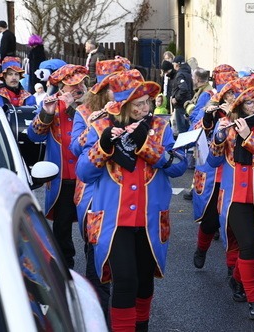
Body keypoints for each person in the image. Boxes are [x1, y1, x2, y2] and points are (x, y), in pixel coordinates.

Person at [76, 69, 187, 331]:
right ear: (124, 105)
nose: (145, 108)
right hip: (114, 222)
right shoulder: (102, 125)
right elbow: (84, 173)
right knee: (124, 281)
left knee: (144, 283)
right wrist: (102, 148)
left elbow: (179, 167)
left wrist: (147, 147)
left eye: (147, 102)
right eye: (138, 104)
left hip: (149, 220)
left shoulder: (160, 128)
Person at [207, 76, 254, 320]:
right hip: (235, 197)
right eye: (249, 102)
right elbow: (213, 161)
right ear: (240, 104)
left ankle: (237, 279)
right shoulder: (227, 124)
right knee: (248, 245)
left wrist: (249, 136)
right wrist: (218, 139)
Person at [69, 57, 130, 318]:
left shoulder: (135, 111)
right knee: (97, 262)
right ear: (102, 89)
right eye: (114, 86)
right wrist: (97, 123)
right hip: (94, 197)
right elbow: (76, 148)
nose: (120, 91)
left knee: (128, 268)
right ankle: (99, 318)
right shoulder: (85, 112)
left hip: (128, 195)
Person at [27, 64, 89, 269]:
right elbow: (34, 135)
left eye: (80, 83)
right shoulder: (52, 103)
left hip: (87, 175)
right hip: (61, 176)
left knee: (91, 222)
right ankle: (64, 266)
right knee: (61, 226)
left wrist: (74, 105)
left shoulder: (91, 105)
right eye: (72, 85)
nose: (78, 88)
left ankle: (96, 268)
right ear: (62, 87)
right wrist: (46, 113)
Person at [190, 64, 238, 272]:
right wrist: (210, 116)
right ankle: (201, 249)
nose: (232, 96)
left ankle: (232, 271)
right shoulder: (209, 99)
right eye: (228, 92)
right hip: (213, 173)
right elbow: (195, 126)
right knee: (209, 221)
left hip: (236, 173)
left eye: (235, 91)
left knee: (234, 225)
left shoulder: (247, 106)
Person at [170, 55, 193, 134]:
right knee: (188, 128)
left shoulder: (180, 74)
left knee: (182, 130)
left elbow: (184, 88)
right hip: (188, 105)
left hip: (180, 105)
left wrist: (176, 98)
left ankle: (184, 146)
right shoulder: (188, 72)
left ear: (177, 64)